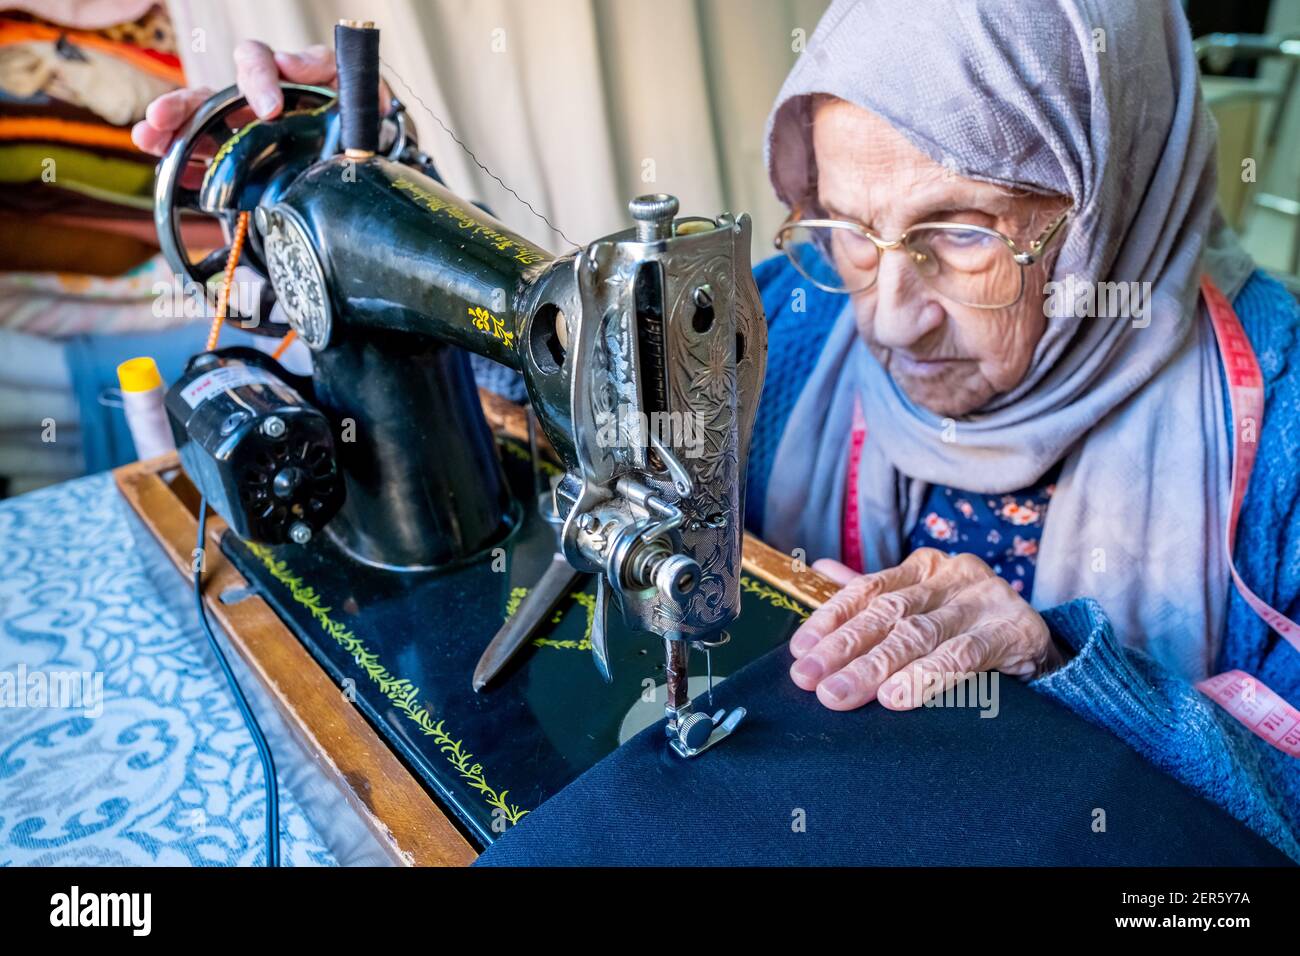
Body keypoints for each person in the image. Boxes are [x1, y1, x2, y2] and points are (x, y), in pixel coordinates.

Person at [133, 0, 1300, 860]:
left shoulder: (1276, 410)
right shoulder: (792, 309)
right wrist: (367, 182)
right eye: (846, 223)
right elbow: (573, 347)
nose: (888, 316)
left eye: (963, 233)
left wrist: (1068, 667)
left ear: (1114, 195)